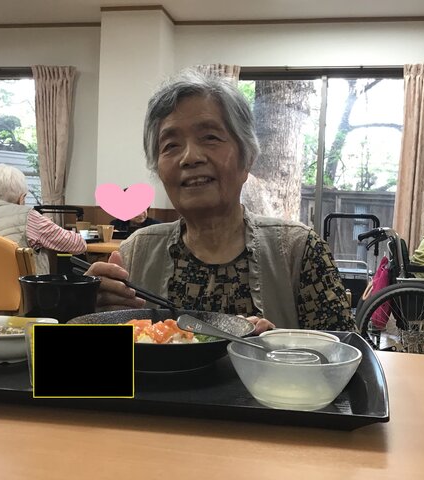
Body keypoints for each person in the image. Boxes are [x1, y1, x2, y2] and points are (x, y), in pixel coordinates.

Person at [86, 70, 354, 334]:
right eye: (171, 145)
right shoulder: (135, 253)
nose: (190, 157)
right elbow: (96, 362)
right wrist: (90, 314)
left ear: (247, 158)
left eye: (210, 138)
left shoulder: (299, 250)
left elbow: (348, 354)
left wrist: (274, 348)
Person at [0, 164, 87, 274]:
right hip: (18, 284)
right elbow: (78, 245)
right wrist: (46, 225)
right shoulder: (29, 218)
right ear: (22, 198)